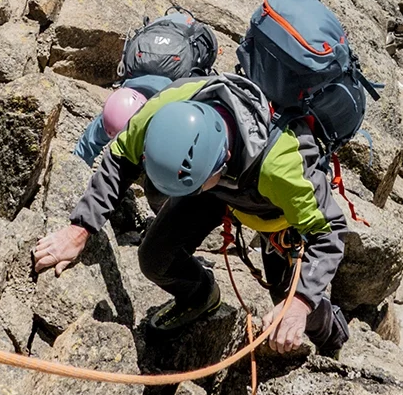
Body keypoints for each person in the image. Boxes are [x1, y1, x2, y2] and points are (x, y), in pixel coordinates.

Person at [32, 73, 350, 357]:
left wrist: (301, 302)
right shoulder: (166, 109)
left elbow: (330, 229)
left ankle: (333, 339)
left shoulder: (282, 166)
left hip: (278, 214)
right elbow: (119, 159)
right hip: (217, 188)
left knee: (288, 300)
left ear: (223, 160)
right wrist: (80, 228)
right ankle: (200, 296)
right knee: (156, 257)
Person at [72, 8, 220, 165]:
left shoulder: (171, 105)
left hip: (181, 38)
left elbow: (86, 147)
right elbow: (87, 146)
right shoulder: (117, 109)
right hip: (170, 34)